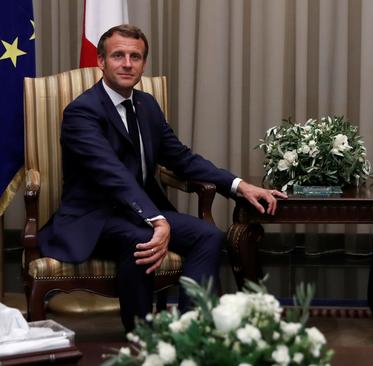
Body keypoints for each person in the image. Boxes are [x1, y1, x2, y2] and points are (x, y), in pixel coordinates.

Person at [37, 24, 287, 332]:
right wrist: (157, 219)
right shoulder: (82, 112)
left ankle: (190, 330)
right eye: (118, 55)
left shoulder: (147, 105)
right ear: (101, 61)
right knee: (142, 239)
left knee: (208, 236)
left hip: (138, 213)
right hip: (94, 218)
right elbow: (112, 174)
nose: (127, 63)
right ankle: (142, 338)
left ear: (143, 63)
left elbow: (181, 158)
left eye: (135, 56)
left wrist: (239, 185)